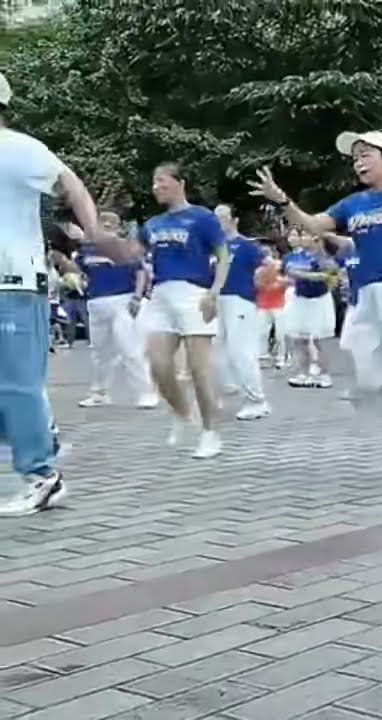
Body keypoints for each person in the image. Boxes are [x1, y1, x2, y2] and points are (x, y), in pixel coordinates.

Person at [249, 129, 382, 494]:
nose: (359, 161)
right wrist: (282, 200)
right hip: (365, 298)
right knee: (368, 380)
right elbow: (312, 224)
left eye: (366, 153)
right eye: (355, 156)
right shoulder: (353, 203)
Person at [0, 71, 121, 515]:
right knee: (8, 391)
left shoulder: (17, 147)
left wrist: (92, 229)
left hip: (13, 283)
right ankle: (41, 435)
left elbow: (68, 182)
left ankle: (42, 476)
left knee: (14, 387)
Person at [138, 163, 230, 459]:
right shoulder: (151, 224)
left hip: (194, 293)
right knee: (159, 366)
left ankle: (210, 432)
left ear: (180, 182)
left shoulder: (202, 218)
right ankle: (182, 412)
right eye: (153, 182)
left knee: (199, 368)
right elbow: (131, 253)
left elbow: (222, 256)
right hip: (162, 293)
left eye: (161, 180)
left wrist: (214, 293)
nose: (156, 187)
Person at [75, 211, 156, 410]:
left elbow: (140, 272)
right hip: (96, 302)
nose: (107, 227)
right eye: (103, 224)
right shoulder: (86, 250)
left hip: (123, 300)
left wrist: (138, 297)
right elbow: (81, 272)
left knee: (130, 349)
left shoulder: (123, 247)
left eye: (111, 224)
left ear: (118, 228)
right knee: (100, 352)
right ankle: (99, 393)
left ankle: (146, 393)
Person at [213, 204, 271, 420]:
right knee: (216, 351)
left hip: (240, 300)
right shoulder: (212, 248)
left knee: (241, 351)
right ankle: (225, 390)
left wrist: (258, 288)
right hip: (217, 301)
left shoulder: (245, 246)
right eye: (215, 217)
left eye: (223, 217)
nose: (219, 221)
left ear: (234, 220)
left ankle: (257, 400)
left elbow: (264, 269)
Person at [280, 228, 337, 388]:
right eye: (301, 235)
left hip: (319, 299)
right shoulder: (292, 256)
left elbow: (330, 273)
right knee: (299, 339)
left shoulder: (324, 255)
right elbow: (289, 271)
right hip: (300, 299)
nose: (303, 238)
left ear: (315, 238)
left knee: (320, 340)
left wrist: (307, 273)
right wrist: (313, 273)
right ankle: (303, 373)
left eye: (306, 235)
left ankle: (324, 374)